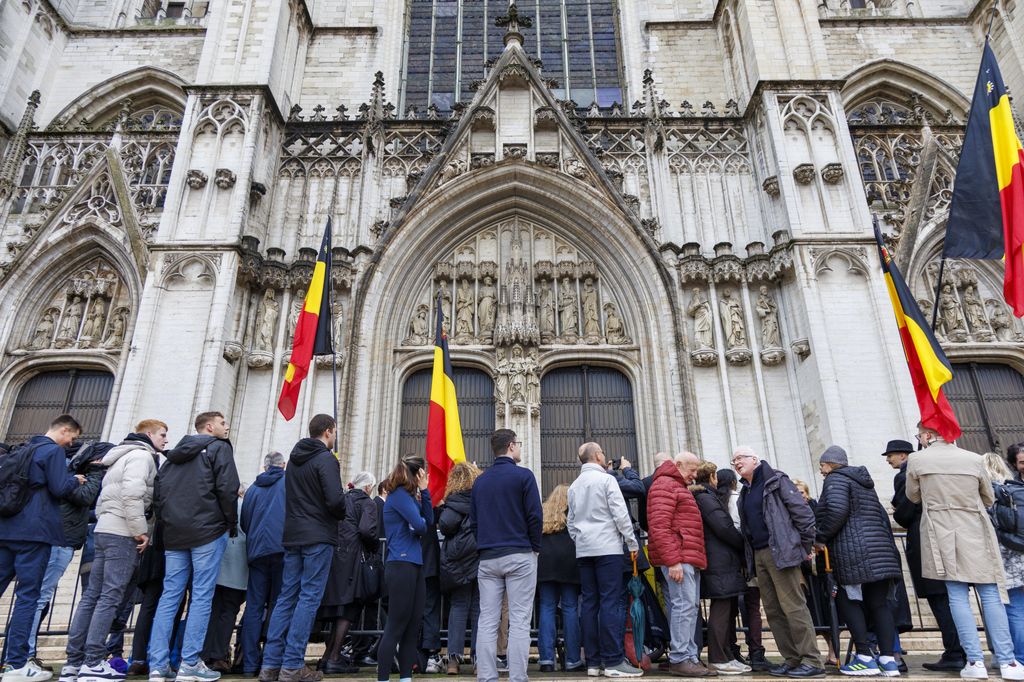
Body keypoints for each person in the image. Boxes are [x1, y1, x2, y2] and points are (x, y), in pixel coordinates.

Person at [906, 423, 1024, 680]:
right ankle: (1008, 662)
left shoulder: (917, 459)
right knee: (991, 595)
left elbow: (913, 496)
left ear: (927, 436)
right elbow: (988, 498)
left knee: (957, 597)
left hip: (941, 531)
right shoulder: (973, 458)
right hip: (976, 528)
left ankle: (975, 661)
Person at [61, 422, 167, 682]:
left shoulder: (117, 458)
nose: (165, 440)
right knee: (111, 597)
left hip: (103, 529)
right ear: (149, 434)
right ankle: (93, 662)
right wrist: (140, 531)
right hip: (122, 532)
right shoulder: (142, 456)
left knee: (92, 597)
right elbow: (132, 494)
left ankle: (73, 663)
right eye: (163, 435)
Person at [148, 411, 240, 682]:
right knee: (201, 596)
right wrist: (229, 522)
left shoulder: (172, 458)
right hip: (208, 532)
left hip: (175, 535)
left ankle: (158, 665)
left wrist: (166, 526)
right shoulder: (218, 448)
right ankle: (189, 664)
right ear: (210, 427)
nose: (227, 426)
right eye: (223, 423)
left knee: (170, 597)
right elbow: (227, 488)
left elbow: (158, 495)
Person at [259, 414, 347, 682]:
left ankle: (271, 665)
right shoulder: (325, 460)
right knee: (309, 598)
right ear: (329, 432)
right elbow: (334, 501)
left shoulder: (294, 462)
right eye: (335, 433)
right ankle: (293, 665)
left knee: (287, 597)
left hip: (293, 535)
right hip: (317, 535)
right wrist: (342, 505)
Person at [0, 414, 84, 682]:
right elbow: (60, 488)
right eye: (72, 437)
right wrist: (76, 480)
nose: (71, 442)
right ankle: (14, 664)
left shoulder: (23, 449)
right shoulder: (53, 452)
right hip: (34, 532)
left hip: (6, 528)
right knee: (28, 596)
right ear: (64, 430)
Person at [733, 446, 823, 679]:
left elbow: (802, 514)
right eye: (733, 460)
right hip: (759, 555)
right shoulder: (745, 491)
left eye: (740, 458)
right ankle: (793, 659)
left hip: (781, 552)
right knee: (773, 610)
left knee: (793, 606)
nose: (736, 463)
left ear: (754, 459)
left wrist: (801, 547)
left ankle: (812, 660)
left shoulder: (776, 480)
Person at [814, 446, 902, 677]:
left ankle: (863, 656)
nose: (821, 471)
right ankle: (887, 659)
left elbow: (836, 510)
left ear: (830, 464)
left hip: (853, 553)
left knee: (846, 599)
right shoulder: (863, 483)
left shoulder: (835, 480)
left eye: (822, 466)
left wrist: (820, 537)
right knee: (879, 605)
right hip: (880, 553)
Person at [470, 430, 542, 682]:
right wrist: (535, 546)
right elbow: (534, 515)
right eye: (518, 444)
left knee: (488, 620)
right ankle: (517, 677)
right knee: (520, 620)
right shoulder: (524, 477)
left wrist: (484, 545)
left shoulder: (480, 481)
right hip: (519, 553)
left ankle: (486, 677)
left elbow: (474, 521)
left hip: (488, 557)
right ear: (511, 446)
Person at [887, 438, 964, 672]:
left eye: (891, 455)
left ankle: (954, 651)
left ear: (903, 456)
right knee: (952, 599)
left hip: (926, 542)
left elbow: (905, 511)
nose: (889, 459)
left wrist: (896, 510)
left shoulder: (906, 475)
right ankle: (963, 649)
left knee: (939, 599)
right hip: (949, 538)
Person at [568, 442, 643, 678]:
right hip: (608, 549)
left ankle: (593, 661)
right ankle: (612, 661)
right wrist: (631, 542)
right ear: (598, 456)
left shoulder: (574, 486)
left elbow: (570, 522)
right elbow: (620, 513)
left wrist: (581, 540)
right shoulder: (607, 480)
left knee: (589, 604)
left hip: (584, 550)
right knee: (610, 601)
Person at [30, 441, 109, 665]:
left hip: (61, 539)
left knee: (39, 597)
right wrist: (95, 473)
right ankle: (24, 655)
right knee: (39, 597)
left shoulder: (67, 475)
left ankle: (24, 653)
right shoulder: (72, 476)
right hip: (59, 540)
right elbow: (84, 498)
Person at [647, 451, 710, 678]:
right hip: (679, 558)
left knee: (689, 608)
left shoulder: (677, 485)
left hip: (687, 557)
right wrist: (672, 561)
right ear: (678, 464)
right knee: (683, 607)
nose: (695, 475)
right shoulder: (664, 485)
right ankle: (681, 658)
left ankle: (690, 657)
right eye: (692, 470)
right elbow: (659, 526)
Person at [690, 462, 750, 675]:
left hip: (721, 560)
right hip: (719, 561)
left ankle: (726, 655)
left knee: (727, 608)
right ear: (712, 477)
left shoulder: (704, 497)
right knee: (722, 609)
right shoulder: (706, 498)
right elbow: (723, 527)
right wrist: (742, 544)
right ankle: (717, 658)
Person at [377, 455, 433, 682]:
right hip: (401, 564)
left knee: (413, 625)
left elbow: (428, 522)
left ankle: (406, 678)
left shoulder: (411, 498)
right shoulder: (400, 496)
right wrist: (417, 523)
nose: (426, 476)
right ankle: (382, 679)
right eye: (424, 473)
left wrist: (426, 492)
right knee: (396, 624)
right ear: (417, 473)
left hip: (414, 564)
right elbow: (420, 525)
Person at [319, 471, 379, 674]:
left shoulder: (342, 500)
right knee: (348, 609)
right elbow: (367, 531)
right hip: (353, 559)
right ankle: (334, 657)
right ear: (369, 487)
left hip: (335, 557)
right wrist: (373, 548)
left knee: (337, 608)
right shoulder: (367, 503)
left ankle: (327, 657)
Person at [239, 452, 286, 676]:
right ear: (283, 465)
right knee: (278, 605)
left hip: (257, 552)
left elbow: (245, 522)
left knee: (254, 607)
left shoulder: (253, 490)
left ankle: (249, 664)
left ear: (265, 466)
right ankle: (271, 661)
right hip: (282, 551)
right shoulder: (289, 484)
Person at [716, 469, 767, 671]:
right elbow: (744, 530)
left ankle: (731, 649)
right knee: (752, 607)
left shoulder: (715, 501)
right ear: (733, 483)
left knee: (729, 608)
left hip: (725, 564)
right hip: (745, 560)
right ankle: (756, 651)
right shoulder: (738, 498)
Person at [437, 462, 481, 675]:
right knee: (479, 609)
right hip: (479, 559)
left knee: (458, 608)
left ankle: (453, 660)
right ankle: (478, 660)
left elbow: (445, 525)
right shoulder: (481, 500)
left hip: (457, 561)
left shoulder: (453, 502)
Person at [536, 484, 582, 673]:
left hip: (546, 564)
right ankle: (572, 660)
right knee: (570, 609)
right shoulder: (575, 512)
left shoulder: (544, 514)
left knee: (547, 608)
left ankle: (546, 660)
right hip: (569, 563)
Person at [201, 486, 248, 673]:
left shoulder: (217, 505)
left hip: (216, 563)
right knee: (229, 611)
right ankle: (219, 655)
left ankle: (204, 654)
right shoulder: (244, 505)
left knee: (212, 610)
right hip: (237, 565)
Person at [983, 452, 1024, 664]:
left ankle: (1018, 658)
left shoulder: (988, 494)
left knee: (1012, 610)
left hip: (1004, 559)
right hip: (1021, 554)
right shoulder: (1016, 488)